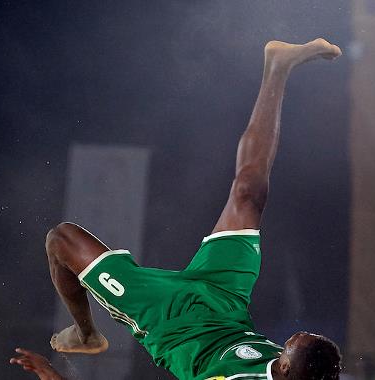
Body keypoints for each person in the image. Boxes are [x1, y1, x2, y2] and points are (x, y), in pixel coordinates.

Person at [37, 38, 343, 380]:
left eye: (291, 343)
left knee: (61, 239)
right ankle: (279, 66)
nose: (289, 339)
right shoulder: (304, 371)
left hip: (167, 319)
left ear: (285, 368)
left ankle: (85, 333)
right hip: (225, 303)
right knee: (247, 193)